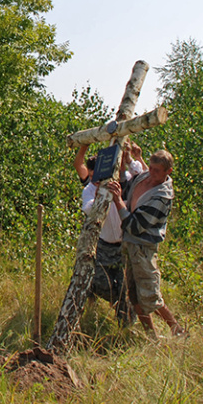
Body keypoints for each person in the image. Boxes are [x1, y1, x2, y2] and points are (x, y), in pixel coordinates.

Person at [105, 149, 186, 338]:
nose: (152, 173)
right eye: (151, 168)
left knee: (150, 294)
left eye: (157, 170)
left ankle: (178, 330)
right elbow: (127, 189)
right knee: (134, 296)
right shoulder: (144, 177)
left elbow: (135, 226)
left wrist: (117, 200)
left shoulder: (162, 197)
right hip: (130, 245)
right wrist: (124, 165)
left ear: (168, 171)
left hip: (143, 248)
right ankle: (151, 336)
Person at [70, 126, 144, 326]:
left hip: (124, 244)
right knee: (102, 283)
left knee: (126, 287)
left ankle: (126, 324)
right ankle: (108, 303)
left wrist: (131, 157)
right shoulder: (89, 189)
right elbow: (88, 208)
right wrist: (85, 141)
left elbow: (141, 175)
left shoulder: (123, 182)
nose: (96, 177)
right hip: (103, 245)